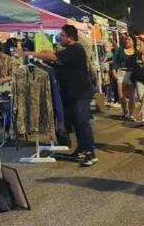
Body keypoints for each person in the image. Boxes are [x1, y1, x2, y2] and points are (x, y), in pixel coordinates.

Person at [17, 25, 98, 167]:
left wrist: (28, 53)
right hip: (72, 93)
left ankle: (90, 152)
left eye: (62, 35)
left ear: (71, 37)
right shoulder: (70, 51)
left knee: (82, 122)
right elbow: (55, 58)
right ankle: (81, 150)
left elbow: (53, 56)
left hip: (81, 93)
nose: (60, 38)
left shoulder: (76, 49)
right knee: (76, 123)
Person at [113, 35, 138, 120]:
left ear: (133, 41)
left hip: (132, 73)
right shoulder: (120, 50)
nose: (127, 41)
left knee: (131, 96)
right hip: (121, 72)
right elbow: (115, 61)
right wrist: (114, 71)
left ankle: (131, 114)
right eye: (126, 39)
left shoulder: (136, 52)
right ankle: (124, 111)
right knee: (121, 95)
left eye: (129, 39)